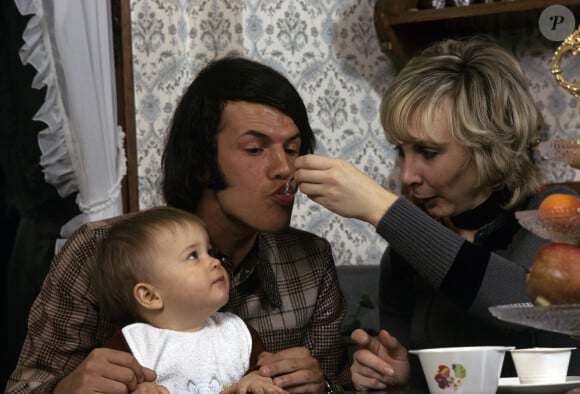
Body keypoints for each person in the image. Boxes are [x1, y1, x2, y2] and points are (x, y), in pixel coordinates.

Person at [7, 57, 350, 393]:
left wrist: (325, 386)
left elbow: (335, 381)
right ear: (201, 163)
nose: (285, 169)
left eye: (292, 149)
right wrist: (64, 389)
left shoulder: (312, 260)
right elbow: (24, 386)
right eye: (255, 149)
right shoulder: (97, 251)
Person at [293, 36, 580, 391]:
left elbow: (524, 302)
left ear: (489, 146)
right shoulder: (403, 257)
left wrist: (382, 209)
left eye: (428, 152)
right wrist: (402, 378)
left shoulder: (553, 212)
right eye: (401, 151)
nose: (407, 175)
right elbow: (434, 382)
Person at [93, 206, 287, 394]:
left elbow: (263, 375)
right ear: (150, 296)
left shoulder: (238, 334)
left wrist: (256, 381)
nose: (215, 262)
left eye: (210, 252)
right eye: (193, 256)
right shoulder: (132, 347)